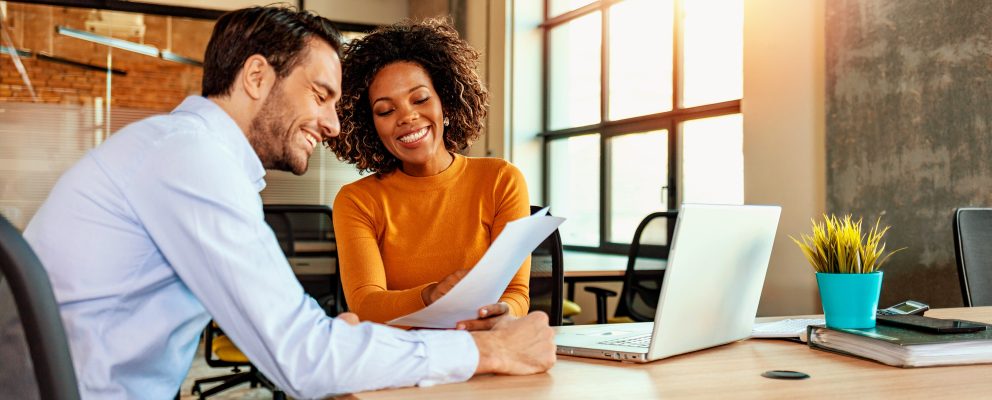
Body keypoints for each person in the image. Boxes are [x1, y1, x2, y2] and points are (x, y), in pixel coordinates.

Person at [23, 6, 554, 399]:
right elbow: (301, 361)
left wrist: (333, 338)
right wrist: (489, 351)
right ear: (257, 77)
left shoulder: (184, 153)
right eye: (321, 95)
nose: (333, 123)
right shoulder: (189, 161)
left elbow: (301, 338)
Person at [328, 19, 530, 330]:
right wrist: (429, 296)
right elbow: (365, 304)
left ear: (446, 104)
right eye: (385, 110)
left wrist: (504, 313)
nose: (407, 117)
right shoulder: (357, 200)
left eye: (420, 99)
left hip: (482, 349)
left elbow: (516, 294)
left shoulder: (501, 179)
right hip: (400, 357)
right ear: (371, 126)